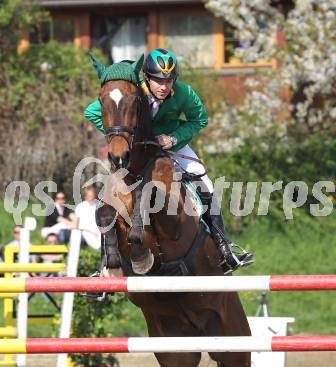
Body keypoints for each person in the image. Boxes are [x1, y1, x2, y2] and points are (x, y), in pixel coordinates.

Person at [84, 48, 253, 274]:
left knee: (206, 184)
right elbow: (94, 112)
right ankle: (105, 263)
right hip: (138, 149)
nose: (164, 86)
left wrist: (173, 138)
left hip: (173, 145)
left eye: (169, 80)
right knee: (109, 196)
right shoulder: (132, 92)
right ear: (147, 78)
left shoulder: (184, 94)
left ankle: (224, 248)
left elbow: (199, 120)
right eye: (158, 80)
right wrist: (122, 137)